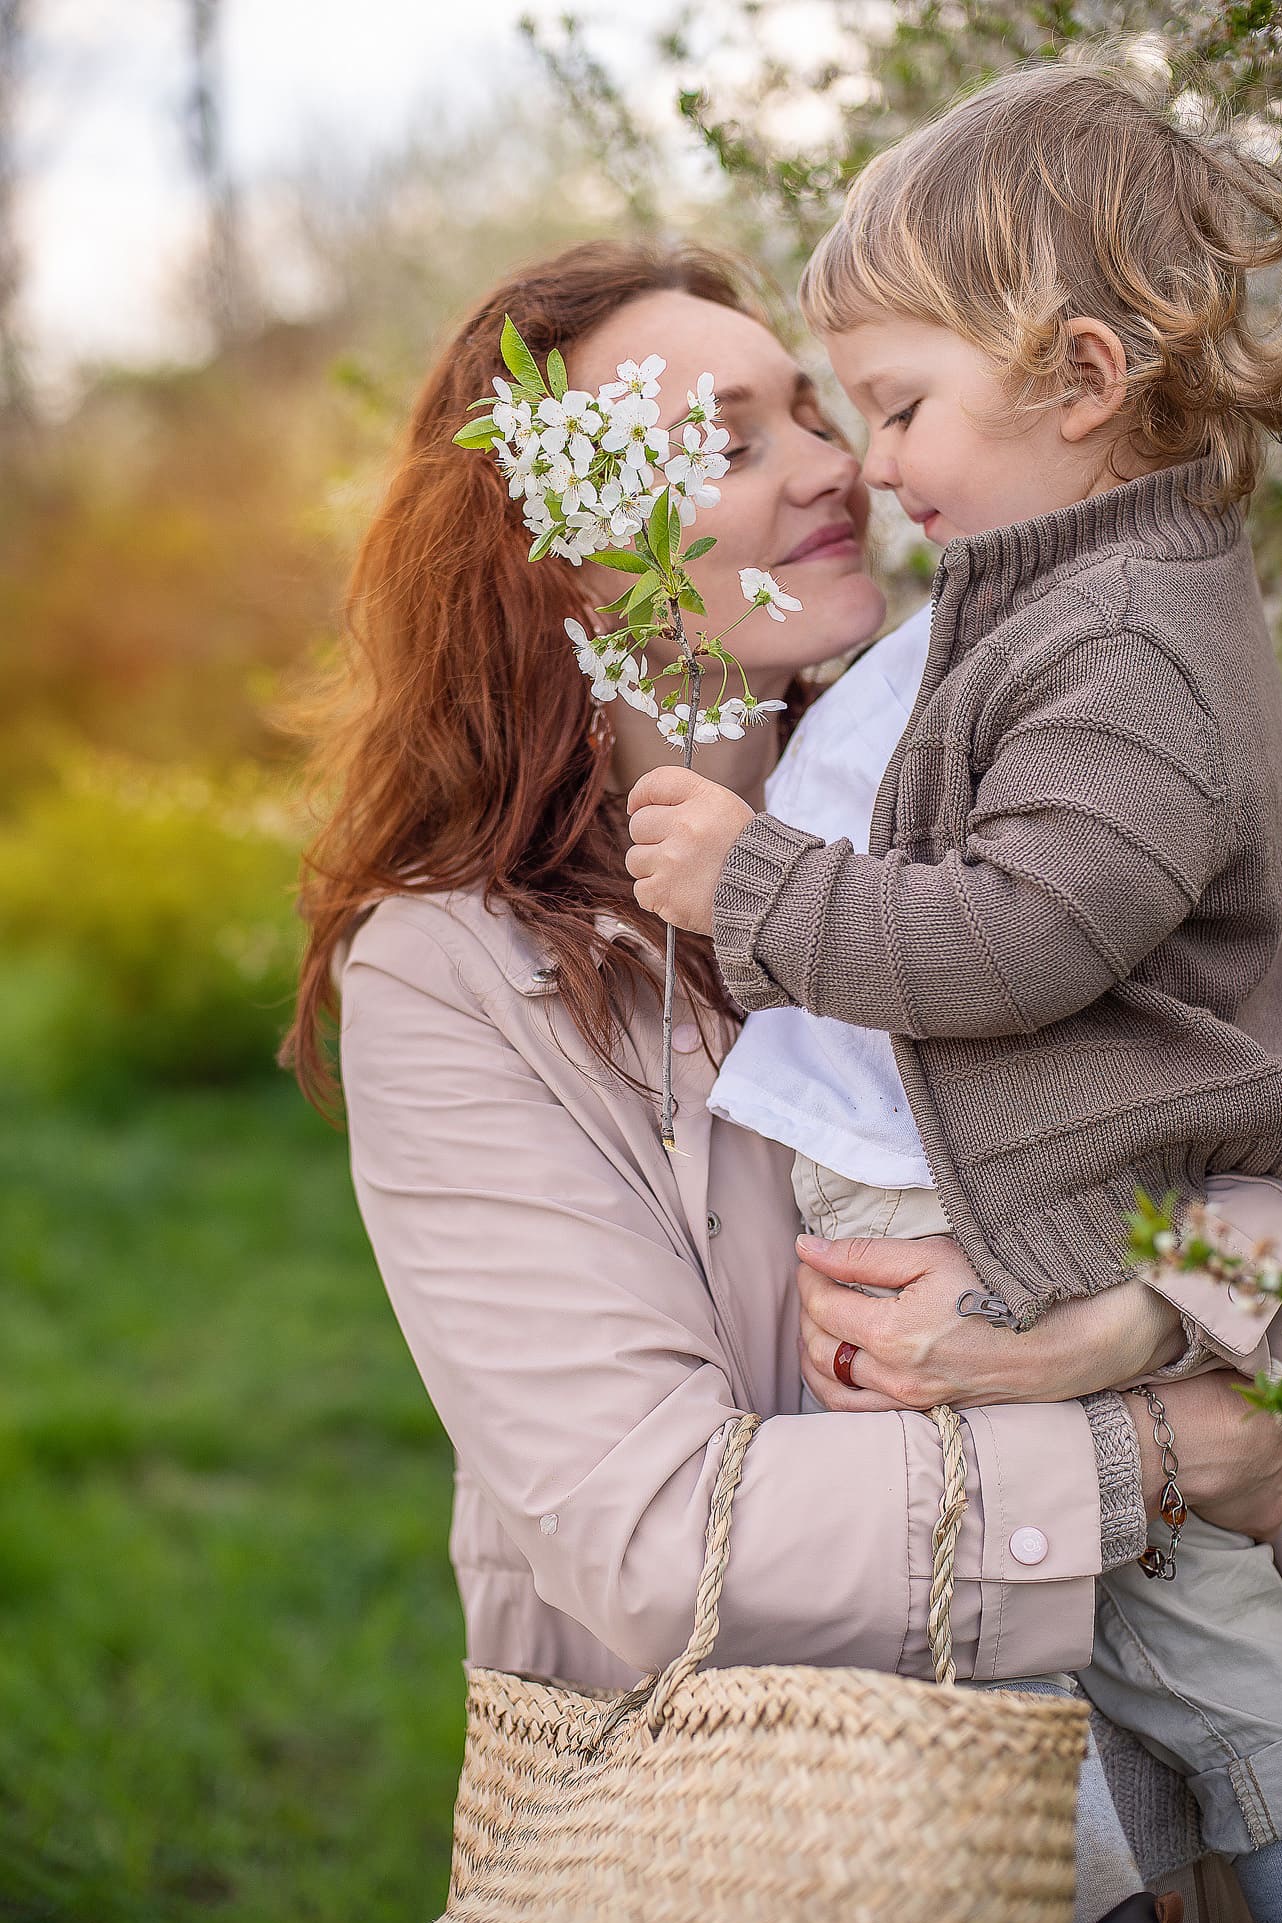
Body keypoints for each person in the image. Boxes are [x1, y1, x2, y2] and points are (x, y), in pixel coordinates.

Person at [279, 239, 1282, 1921]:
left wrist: (1141, 1312)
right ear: (565, 563)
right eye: (727, 442)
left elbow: (1245, 1131)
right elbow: (656, 1527)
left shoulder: (1014, 812)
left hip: (1172, 1773)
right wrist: (1163, 1456)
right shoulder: (456, 975)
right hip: (809, 1827)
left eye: (817, 411)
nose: (837, 466)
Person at [623, 60, 1282, 1922]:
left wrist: (755, 887)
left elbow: (1009, 939)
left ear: (1080, 378)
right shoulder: (1055, 592)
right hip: (1056, 1249)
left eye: (896, 408)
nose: (870, 467)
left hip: (1068, 1225)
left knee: (1209, 1680)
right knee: (1068, 1703)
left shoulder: (1131, 637)